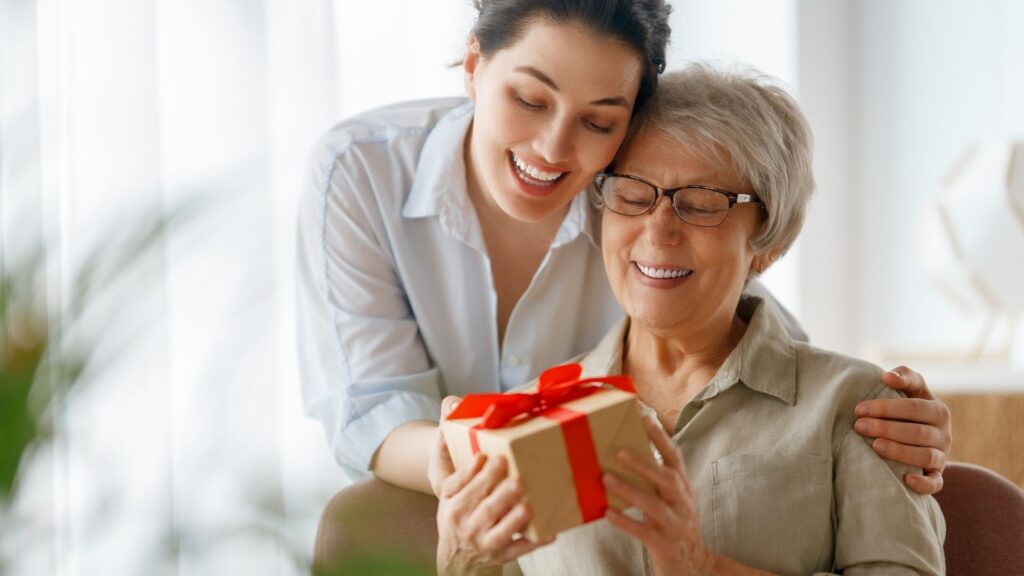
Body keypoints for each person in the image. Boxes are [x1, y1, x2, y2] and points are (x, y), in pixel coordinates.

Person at [297, 0, 951, 502]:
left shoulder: (633, 199)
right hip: (428, 515)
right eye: (529, 99)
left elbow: (754, 331)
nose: (554, 148)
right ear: (473, 67)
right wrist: (489, 461)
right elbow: (371, 410)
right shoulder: (360, 173)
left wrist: (878, 427)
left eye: (599, 121)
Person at [431, 64, 945, 575]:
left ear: (768, 242)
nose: (659, 230)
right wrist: (461, 557)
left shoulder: (856, 406)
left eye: (701, 205)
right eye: (632, 195)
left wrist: (703, 567)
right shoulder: (527, 420)